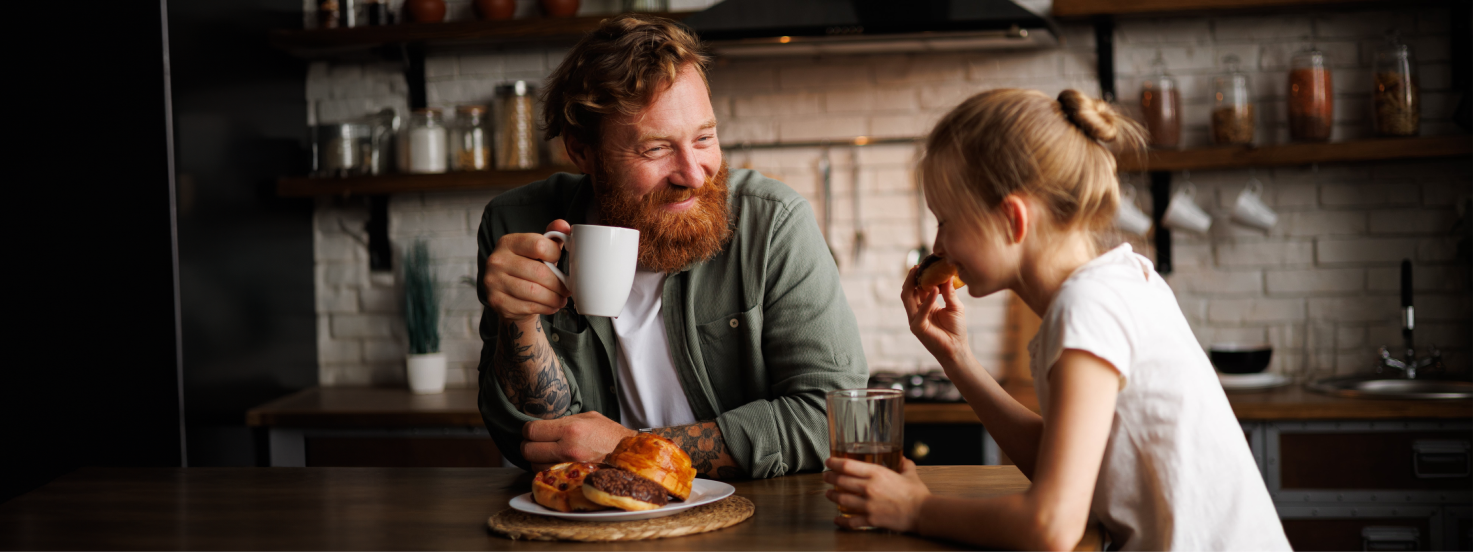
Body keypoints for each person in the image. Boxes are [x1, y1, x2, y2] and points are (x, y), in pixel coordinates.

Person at [824, 89, 1291, 551]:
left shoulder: (1087, 307)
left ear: (1012, 219)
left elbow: (1051, 525)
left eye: (946, 220)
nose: (938, 245)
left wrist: (914, 509)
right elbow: (1063, 457)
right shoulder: (1116, 282)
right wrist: (956, 357)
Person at [474, 14, 867, 480]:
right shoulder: (518, 227)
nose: (694, 174)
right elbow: (534, 436)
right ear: (582, 152)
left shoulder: (773, 223)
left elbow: (838, 421)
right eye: (656, 149)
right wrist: (519, 321)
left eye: (704, 138)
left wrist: (631, 449)